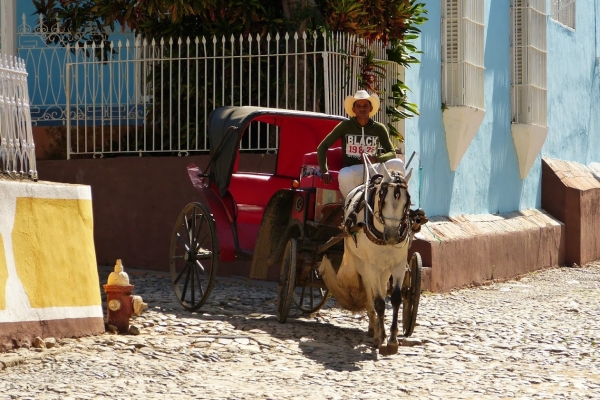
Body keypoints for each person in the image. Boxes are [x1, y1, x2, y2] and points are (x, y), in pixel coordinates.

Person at [317, 90, 405, 197]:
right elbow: (322, 147)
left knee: (398, 163)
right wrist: (324, 171)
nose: (362, 109)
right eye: (358, 106)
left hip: (374, 168)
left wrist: (376, 159)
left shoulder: (379, 128)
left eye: (365, 106)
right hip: (353, 170)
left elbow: (392, 153)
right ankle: (353, 206)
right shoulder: (345, 126)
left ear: (371, 108)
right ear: (354, 109)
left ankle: (399, 200)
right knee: (344, 175)